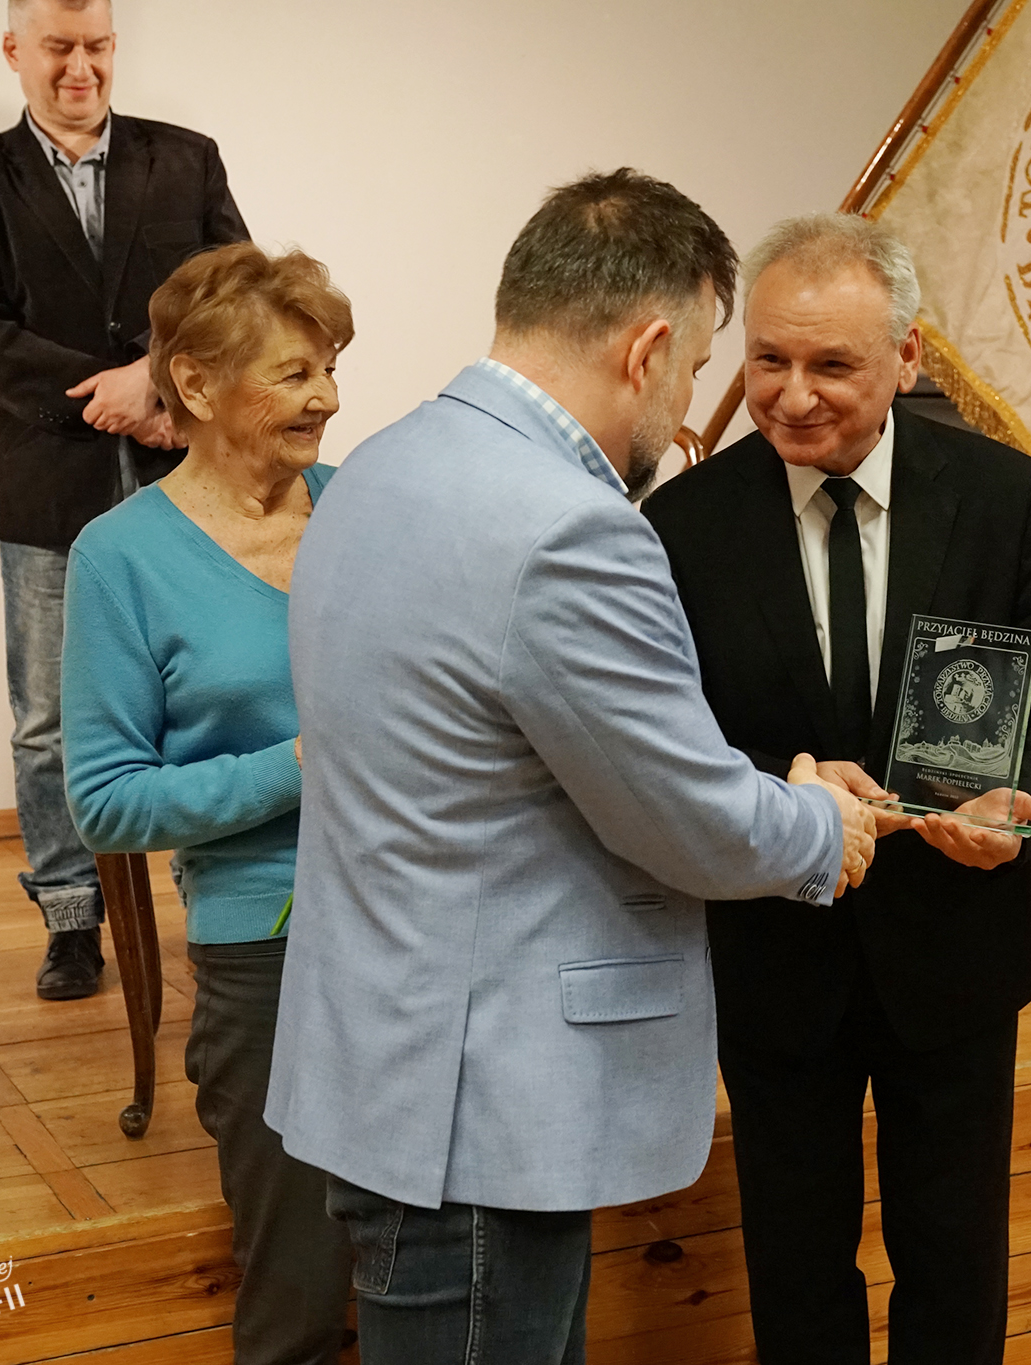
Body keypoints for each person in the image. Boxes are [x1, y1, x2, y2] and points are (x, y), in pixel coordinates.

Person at [264, 171, 877, 1365]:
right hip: (482, 1105)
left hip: (385, 1058)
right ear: (646, 349)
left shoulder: (383, 463)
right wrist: (817, 822)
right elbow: (683, 815)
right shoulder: (567, 527)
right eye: (698, 366)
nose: (693, 403)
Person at [642, 214, 1031, 1365]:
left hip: (956, 948)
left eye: (830, 365)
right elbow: (666, 747)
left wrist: (1023, 809)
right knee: (795, 1266)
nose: (791, 396)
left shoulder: (1004, 499)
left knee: (953, 1262)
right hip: (774, 955)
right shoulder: (681, 526)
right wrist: (778, 788)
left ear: (905, 358)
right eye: (767, 359)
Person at [61, 244, 354, 1365]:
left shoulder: (361, 506)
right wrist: (306, 763)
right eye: (293, 373)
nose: (327, 398)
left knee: (434, 1261)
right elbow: (107, 804)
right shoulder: (119, 558)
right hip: (269, 944)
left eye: (330, 368)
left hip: (424, 919)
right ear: (192, 381)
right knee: (297, 1295)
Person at [0, 0, 248, 1000]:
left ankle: (217, 904)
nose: (82, 68)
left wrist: (156, 379)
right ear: (14, 51)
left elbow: (236, 294)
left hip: (185, 476)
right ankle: (72, 921)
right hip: (46, 489)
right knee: (48, 720)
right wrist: (108, 398)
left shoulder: (187, 159)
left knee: (209, 690)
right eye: (60, 47)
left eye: (98, 47)